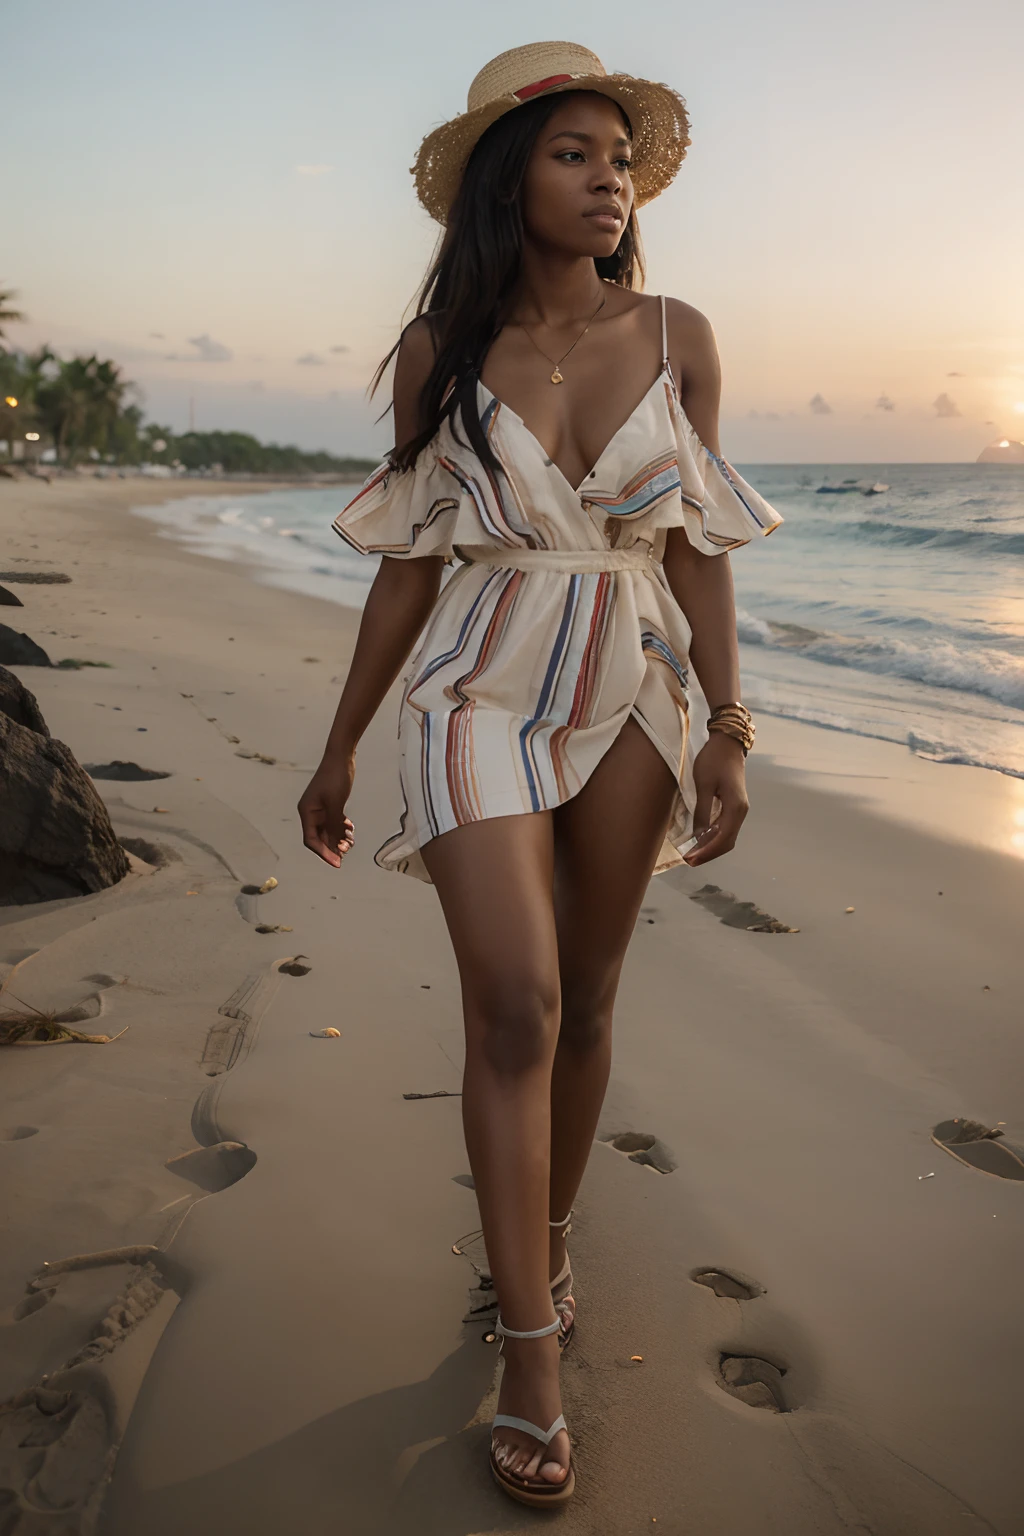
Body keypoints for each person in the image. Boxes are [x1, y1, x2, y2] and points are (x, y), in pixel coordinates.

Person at [298, 40, 781, 1508]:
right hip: (473, 688)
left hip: (628, 682)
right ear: (513, 181)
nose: (609, 181)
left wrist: (729, 727)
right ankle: (530, 1349)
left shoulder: (681, 334)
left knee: (588, 1004)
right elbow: (404, 571)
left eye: (620, 159)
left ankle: (544, 1239)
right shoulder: (442, 358)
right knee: (514, 1000)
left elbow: (693, 544)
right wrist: (336, 746)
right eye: (576, 155)